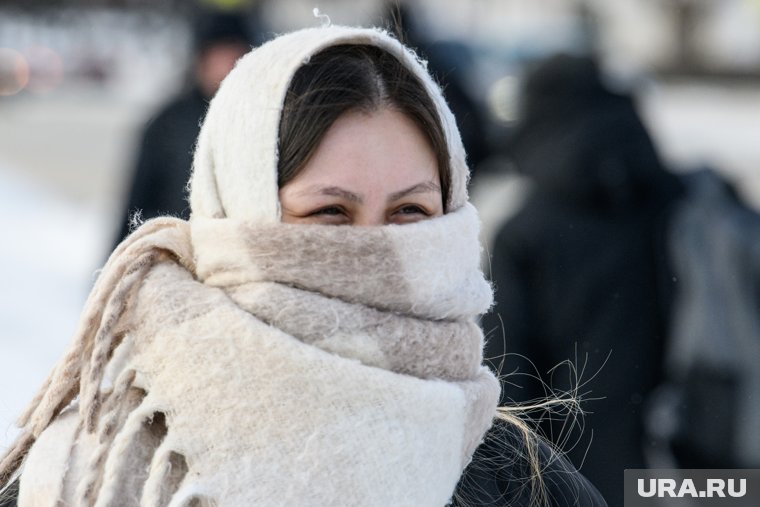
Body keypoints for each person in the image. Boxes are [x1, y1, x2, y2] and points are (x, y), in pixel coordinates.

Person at [0, 27, 605, 506]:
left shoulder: (517, 481)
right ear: (236, 214)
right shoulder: (99, 466)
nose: (378, 251)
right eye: (331, 213)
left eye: (412, 211)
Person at [482, 53, 684, 506]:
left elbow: (509, 384)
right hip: (691, 466)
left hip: (578, 476)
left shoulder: (526, 232)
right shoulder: (679, 205)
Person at [113, 11, 254, 244]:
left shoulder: (263, 118)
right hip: (177, 254)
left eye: (234, 58)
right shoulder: (167, 123)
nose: (225, 69)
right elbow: (136, 204)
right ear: (200, 60)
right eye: (217, 57)